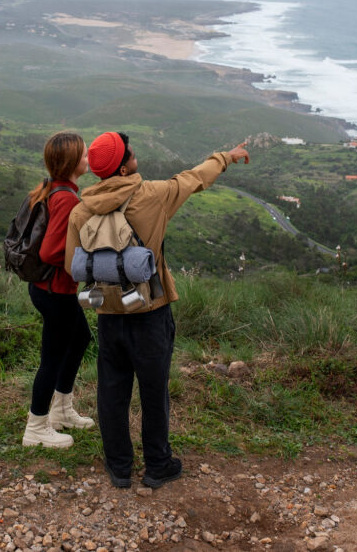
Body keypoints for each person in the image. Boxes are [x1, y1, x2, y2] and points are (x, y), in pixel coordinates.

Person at [65, 132, 249, 487]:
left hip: (108, 315)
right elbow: (195, 178)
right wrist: (227, 156)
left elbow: (72, 264)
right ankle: (157, 465)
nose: (135, 154)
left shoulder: (80, 210)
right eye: (130, 152)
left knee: (111, 393)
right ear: (123, 165)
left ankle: (119, 467)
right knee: (153, 392)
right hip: (150, 311)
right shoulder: (154, 196)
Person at [21, 131, 96, 448]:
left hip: (47, 288)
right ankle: (36, 428)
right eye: (83, 155)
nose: (87, 158)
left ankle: (62, 411)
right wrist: (86, 260)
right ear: (70, 162)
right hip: (55, 292)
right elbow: (51, 251)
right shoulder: (65, 198)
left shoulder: (51, 187)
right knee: (51, 358)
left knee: (80, 338)